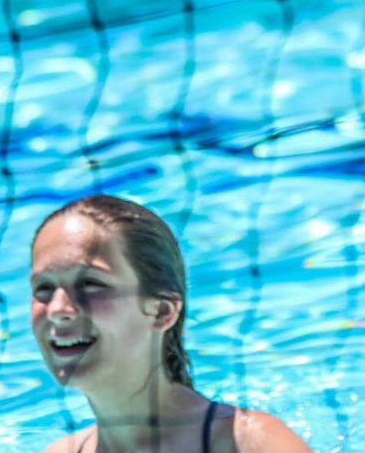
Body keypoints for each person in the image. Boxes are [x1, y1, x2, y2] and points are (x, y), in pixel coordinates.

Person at [30, 194, 311, 452]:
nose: (57, 310)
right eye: (43, 289)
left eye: (91, 284)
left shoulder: (251, 444)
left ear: (162, 312)